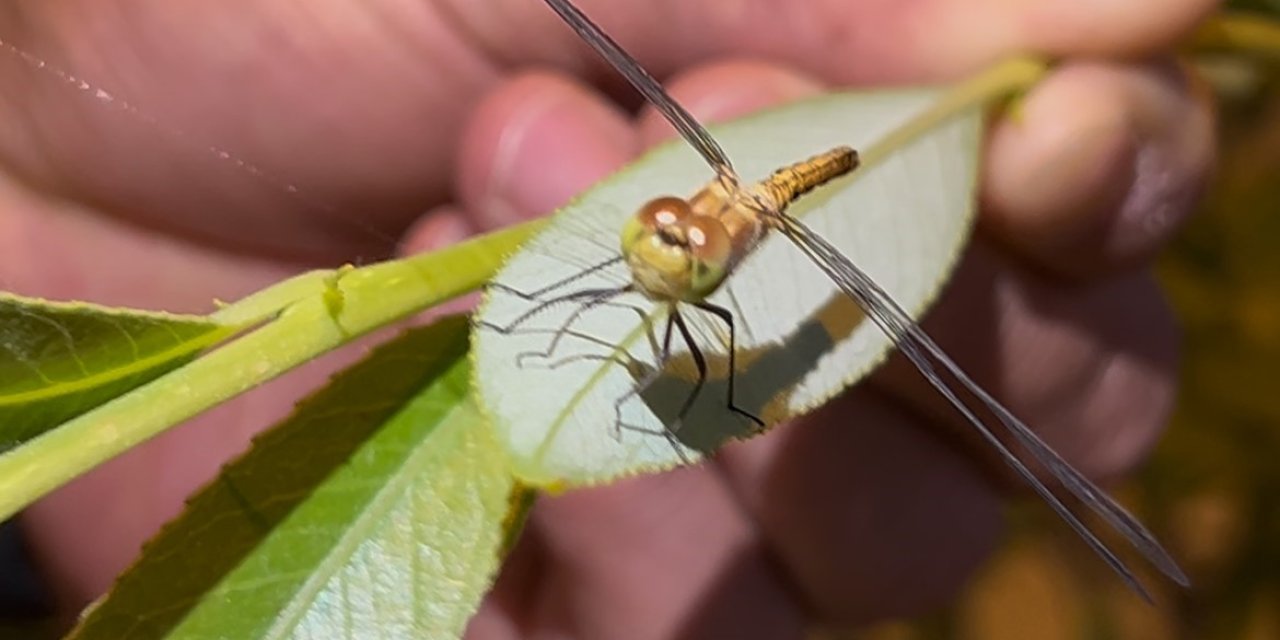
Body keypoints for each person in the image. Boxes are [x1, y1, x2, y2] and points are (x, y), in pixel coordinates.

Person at [0, 0, 1218, 636]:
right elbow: (630, 264)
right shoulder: (656, 238)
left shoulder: (750, 239)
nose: (648, 251)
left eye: (671, 247)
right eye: (651, 235)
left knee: (744, 383)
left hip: (830, 161)